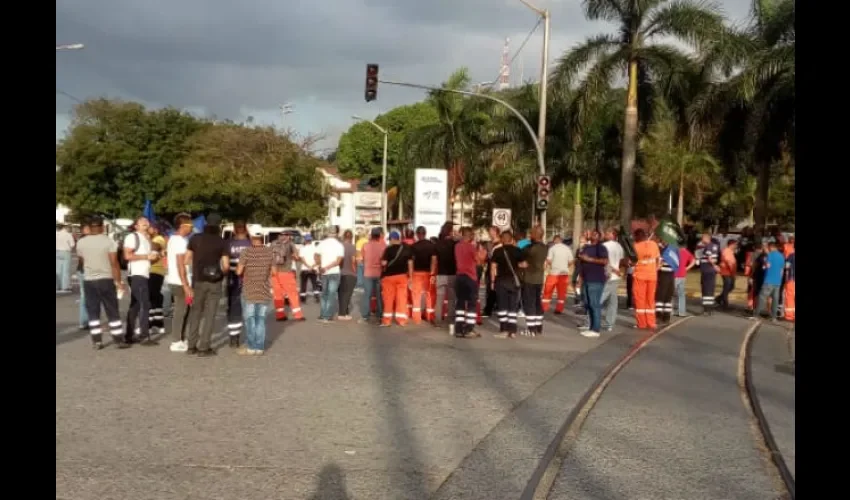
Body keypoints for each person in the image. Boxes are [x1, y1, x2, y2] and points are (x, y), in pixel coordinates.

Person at [75, 217, 127, 350]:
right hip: (106, 279)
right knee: (112, 310)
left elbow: (81, 260)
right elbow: (114, 263)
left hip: (89, 280)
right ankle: (118, 340)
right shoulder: (109, 242)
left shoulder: (81, 242)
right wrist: (118, 281)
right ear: (102, 227)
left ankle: (97, 341)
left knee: (93, 311)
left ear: (90, 228)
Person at [185, 213, 230, 357]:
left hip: (198, 280)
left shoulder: (195, 239)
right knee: (210, 314)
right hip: (215, 281)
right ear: (218, 225)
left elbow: (187, 260)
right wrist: (223, 274)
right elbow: (226, 265)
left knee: (196, 312)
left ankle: (191, 345)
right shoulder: (221, 242)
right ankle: (204, 347)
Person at [236, 230, 275, 355]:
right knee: (261, 320)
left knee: (250, 319)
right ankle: (259, 347)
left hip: (249, 290)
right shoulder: (269, 252)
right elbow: (274, 272)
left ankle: (251, 346)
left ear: (251, 239)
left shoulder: (246, 252)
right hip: (263, 291)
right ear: (262, 238)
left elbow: (238, 271)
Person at [123, 217, 158, 345]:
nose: (145, 223)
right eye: (142, 221)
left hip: (144, 273)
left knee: (136, 305)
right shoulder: (133, 237)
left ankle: (129, 335)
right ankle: (144, 336)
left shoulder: (147, 238)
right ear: (136, 226)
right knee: (145, 304)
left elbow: (149, 258)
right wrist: (146, 256)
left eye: (147, 221)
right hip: (136, 274)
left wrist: (154, 257)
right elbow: (127, 255)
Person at [166, 214, 194, 353]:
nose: (192, 228)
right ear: (183, 226)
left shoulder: (175, 239)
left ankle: (181, 338)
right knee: (180, 310)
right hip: (179, 281)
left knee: (185, 309)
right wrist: (186, 284)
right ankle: (176, 340)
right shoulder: (179, 241)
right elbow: (180, 264)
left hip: (177, 279)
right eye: (190, 225)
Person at [224, 221, 251, 346]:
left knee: (233, 307)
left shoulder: (228, 244)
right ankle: (253, 336)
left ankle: (234, 337)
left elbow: (224, 263)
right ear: (246, 230)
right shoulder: (251, 244)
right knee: (250, 307)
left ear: (234, 230)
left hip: (232, 279)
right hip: (250, 279)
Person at [577, 230, 609, 338]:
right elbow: (581, 264)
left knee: (594, 304)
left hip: (596, 279)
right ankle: (591, 327)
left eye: (595, 234)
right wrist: (580, 278)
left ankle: (596, 329)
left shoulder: (600, 248)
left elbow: (604, 261)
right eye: (592, 234)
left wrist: (589, 259)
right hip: (586, 278)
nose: (592, 235)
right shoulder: (586, 247)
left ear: (599, 237)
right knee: (588, 303)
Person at [491, 230, 522, 338]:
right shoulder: (518, 251)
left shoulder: (497, 251)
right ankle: (512, 330)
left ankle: (504, 329)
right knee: (512, 307)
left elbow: (493, 267)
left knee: (503, 306)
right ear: (511, 239)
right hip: (514, 282)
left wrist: (492, 281)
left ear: (502, 239)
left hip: (501, 281)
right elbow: (524, 264)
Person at [380, 231, 413, 327]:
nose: (389, 241)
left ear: (392, 239)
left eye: (389, 239)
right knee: (402, 298)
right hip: (402, 277)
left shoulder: (388, 250)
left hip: (389, 277)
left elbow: (384, 263)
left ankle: (387, 321)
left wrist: (381, 261)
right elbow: (410, 264)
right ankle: (401, 320)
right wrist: (410, 277)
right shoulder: (407, 249)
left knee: (388, 299)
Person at [519, 226, 547, 336]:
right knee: (537, 303)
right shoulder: (545, 247)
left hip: (529, 278)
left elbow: (520, 255)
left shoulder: (530, 248)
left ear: (536, 234)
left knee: (529, 304)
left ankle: (531, 329)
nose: (530, 236)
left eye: (531, 233)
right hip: (539, 279)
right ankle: (538, 327)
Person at [270, 232, 305, 322]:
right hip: (286, 273)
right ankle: (298, 315)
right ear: (288, 236)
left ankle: (280, 315)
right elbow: (296, 257)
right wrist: (297, 258)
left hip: (274, 273)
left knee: (278, 295)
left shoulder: (273, 244)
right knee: (292, 294)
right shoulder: (290, 244)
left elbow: (269, 258)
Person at [454, 227, 482, 338]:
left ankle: (459, 329)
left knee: (460, 303)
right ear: (469, 236)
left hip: (460, 277)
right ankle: (469, 328)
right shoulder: (471, 247)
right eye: (472, 235)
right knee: (471, 304)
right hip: (470, 277)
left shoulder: (457, 246)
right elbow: (478, 261)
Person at [315, 227, 345, 323]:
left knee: (324, 293)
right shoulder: (339, 245)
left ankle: (322, 314)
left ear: (328, 233)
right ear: (336, 234)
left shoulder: (322, 244)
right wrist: (327, 267)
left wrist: (320, 266)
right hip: (334, 272)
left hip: (323, 272)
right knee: (331, 294)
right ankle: (327, 316)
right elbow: (338, 261)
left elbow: (316, 256)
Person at [632, 229, 660, 331]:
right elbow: (658, 260)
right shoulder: (654, 244)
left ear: (637, 237)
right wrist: (655, 269)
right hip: (652, 276)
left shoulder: (635, 247)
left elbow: (631, 262)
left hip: (640, 276)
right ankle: (651, 322)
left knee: (640, 300)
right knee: (650, 300)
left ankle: (642, 323)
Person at [750, 241, 784, 322]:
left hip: (768, 280)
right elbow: (781, 270)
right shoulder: (781, 256)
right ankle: (774, 317)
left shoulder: (770, 255)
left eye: (768, 247)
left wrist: (764, 266)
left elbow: (767, 266)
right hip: (777, 282)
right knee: (775, 300)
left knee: (762, 298)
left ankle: (756, 315)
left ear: (771, 247)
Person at [410, 226, 437, 324]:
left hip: (416, 273)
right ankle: (429, 316)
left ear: (417, 234)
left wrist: (410, 274)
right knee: (429, 294)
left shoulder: (413, 246)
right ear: (425, 233)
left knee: (416, 295)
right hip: (428, 273)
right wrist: (433, 273)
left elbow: (411, 261)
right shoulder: (431, 245)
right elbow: (434, 260)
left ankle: (416, 318)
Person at [359, 227, 386, 323]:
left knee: (367, 295)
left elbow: (361, 259)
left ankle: (365, 316)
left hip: (368, 273)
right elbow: (384, 261)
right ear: (379, 236)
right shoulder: (383, 247)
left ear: (371, 236)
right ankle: (380, 315)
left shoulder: (365, 246)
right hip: (379, 273)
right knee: (379, 295)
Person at [542, 235, 574, 314]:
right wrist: (565, 266)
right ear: (561, 240)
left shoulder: (552, 248)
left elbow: (549, 260)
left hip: (553, 273)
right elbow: (571, 261)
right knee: (561, 293)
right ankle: (559, 309)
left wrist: (552, 264)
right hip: (564, 274)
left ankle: (544, 307)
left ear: (554, 240)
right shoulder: (567, 249)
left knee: (548, 291)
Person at [601, 228, 625, 331]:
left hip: (608, 275)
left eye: (607, 232)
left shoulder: (605, 246)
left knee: (599, 299)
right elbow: (621, 261)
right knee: (612, 301)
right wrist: (618, 271)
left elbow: (604, 261)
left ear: (613, 234)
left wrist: (612, 270)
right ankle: (609, 323)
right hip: (616, 277)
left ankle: (591, 320)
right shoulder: (619, 247)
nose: (605, 234)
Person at [434, 222, 457, 328]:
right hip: (452, 274)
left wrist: (433, 274)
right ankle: (450, 319)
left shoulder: (437, 243)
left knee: (439, 298)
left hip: (440, 274)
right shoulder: (454, 244)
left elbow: (434, 260)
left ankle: (437, 320)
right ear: (450, 231)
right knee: (452, 298)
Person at [148, 223, 168, 334]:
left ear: (156, 229)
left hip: (155, 271)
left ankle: (152, 324)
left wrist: (144, 238)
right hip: (151, 271)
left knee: (152, 298)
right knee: (154, 298)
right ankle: (157, 323)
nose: (148, 229)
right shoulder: (153, 238)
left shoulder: (158, 238)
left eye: (149, 227)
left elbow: (155, 246)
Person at [655, 238, 678, 324]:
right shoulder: (673, 250)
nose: (662, 242)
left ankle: (660, 316)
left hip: (664, 274)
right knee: (667, 297)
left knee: (662, 296)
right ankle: (665, 317)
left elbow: (659, 264)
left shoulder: (665, 251)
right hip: (670, 274)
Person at [697, 232, 721, 315]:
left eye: (703, 238)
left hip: (706, 270)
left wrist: (714, 266)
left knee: (705, 290)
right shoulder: (715, 246)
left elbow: (710, 258)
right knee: (710, 290)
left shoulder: (707, 247)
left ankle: (706, 309)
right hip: (711, 272)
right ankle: (709, 308)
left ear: (707, 238)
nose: (702, 239)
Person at [338, 229, 358, 320]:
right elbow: (353, 261)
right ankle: (342, 314)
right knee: (347, 294)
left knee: (341, 293)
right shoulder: (352, 247)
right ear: (351, 237)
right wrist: (355, 271)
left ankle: (343, 312)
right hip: (350, 273)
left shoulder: (339, 246)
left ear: (343, 237)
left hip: (340, 272)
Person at [481, 226, 501, 317]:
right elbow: (484, 256)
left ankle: (491, 308)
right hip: (490, 266)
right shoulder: (488, 243)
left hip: (498, 267)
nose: (490, 233)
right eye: (489, 231)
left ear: (496, 232)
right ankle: (490, 307)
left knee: (495, 288)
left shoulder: (500, 243)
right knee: (490, 289)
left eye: (491, 231)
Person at [674, 244, 697, 317]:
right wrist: (687, 268)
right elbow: (693, 260)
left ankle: (669, 311)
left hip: (674, 275)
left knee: (670, 294)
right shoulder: (686, 252)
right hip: (682, 275)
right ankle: (681, 312)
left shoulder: (675, 251)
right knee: (681, 294)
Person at [76, 223, 92, 330]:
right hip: (85, 270)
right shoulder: (83, 241)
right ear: (83, 230)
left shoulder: (86, 240)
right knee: (86, 296)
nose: (89, 230)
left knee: (86, 296)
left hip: (85, 270)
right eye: (87, 228)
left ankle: (86, 321)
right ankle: (85, 321)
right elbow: (81, 257)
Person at [716, 240, 738, 310]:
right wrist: (732, 273)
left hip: (729, 272)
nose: (736, 246)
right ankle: (725, 304)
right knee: (727, 288)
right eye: (735, 245)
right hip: (727, 273)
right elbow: (729, 263)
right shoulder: (727, 251)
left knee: (731, 287)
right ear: (732, 244)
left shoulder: (730, 252)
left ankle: (719, 298)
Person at [299, 235, 320, 303]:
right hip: (313, 268)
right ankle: (317, 297)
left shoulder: (302, 249)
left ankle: (303, 298)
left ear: (305, 240)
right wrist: (312, 266)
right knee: (314, 283)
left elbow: (302, 259)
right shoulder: (315, 248)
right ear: (311, 240)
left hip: (304, 269)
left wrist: (308, 266)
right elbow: (318, 259)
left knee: (303, 284)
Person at [56, 223, 76, 292]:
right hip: (66, 252)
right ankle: (65, 286)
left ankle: (57, 285)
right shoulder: (68, 234)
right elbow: (72, 244)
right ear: (64, 227)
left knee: (58, 270)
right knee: (65, 270)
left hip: (57, 252)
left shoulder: (56, 234)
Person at [783, 248, 795, 322]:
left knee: (789, 297)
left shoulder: (791, 256)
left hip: (791, 279)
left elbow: (786, 267)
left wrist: (786, 279)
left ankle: (789, 316)